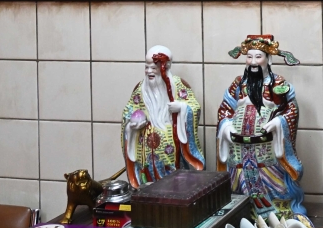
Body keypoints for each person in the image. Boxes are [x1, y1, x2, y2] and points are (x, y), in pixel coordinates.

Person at [216, 35, 307, 218]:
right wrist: (226, 125)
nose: (253, 62)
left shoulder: (278, 84)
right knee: (240, 185)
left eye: (258, 57)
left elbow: (291, 110)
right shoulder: (238, 84)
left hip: (267, 148)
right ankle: (244, 214)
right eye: (249, 57)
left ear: (268, 59)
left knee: (274, 183)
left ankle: (278, 214)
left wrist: (279, 122)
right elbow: (225, 109)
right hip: (239, 149)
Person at [121, 46, 205, 188]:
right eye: (147, 67)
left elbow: (194, 107)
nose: (149, 71)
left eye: (154, 68)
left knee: (174, 186)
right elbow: (128, 113)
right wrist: (132, 125)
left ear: (165, 67)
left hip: (171, 151)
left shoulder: (178, 85)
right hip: (145, 154)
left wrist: (182, 108)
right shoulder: (140, 88)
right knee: (146, 187)